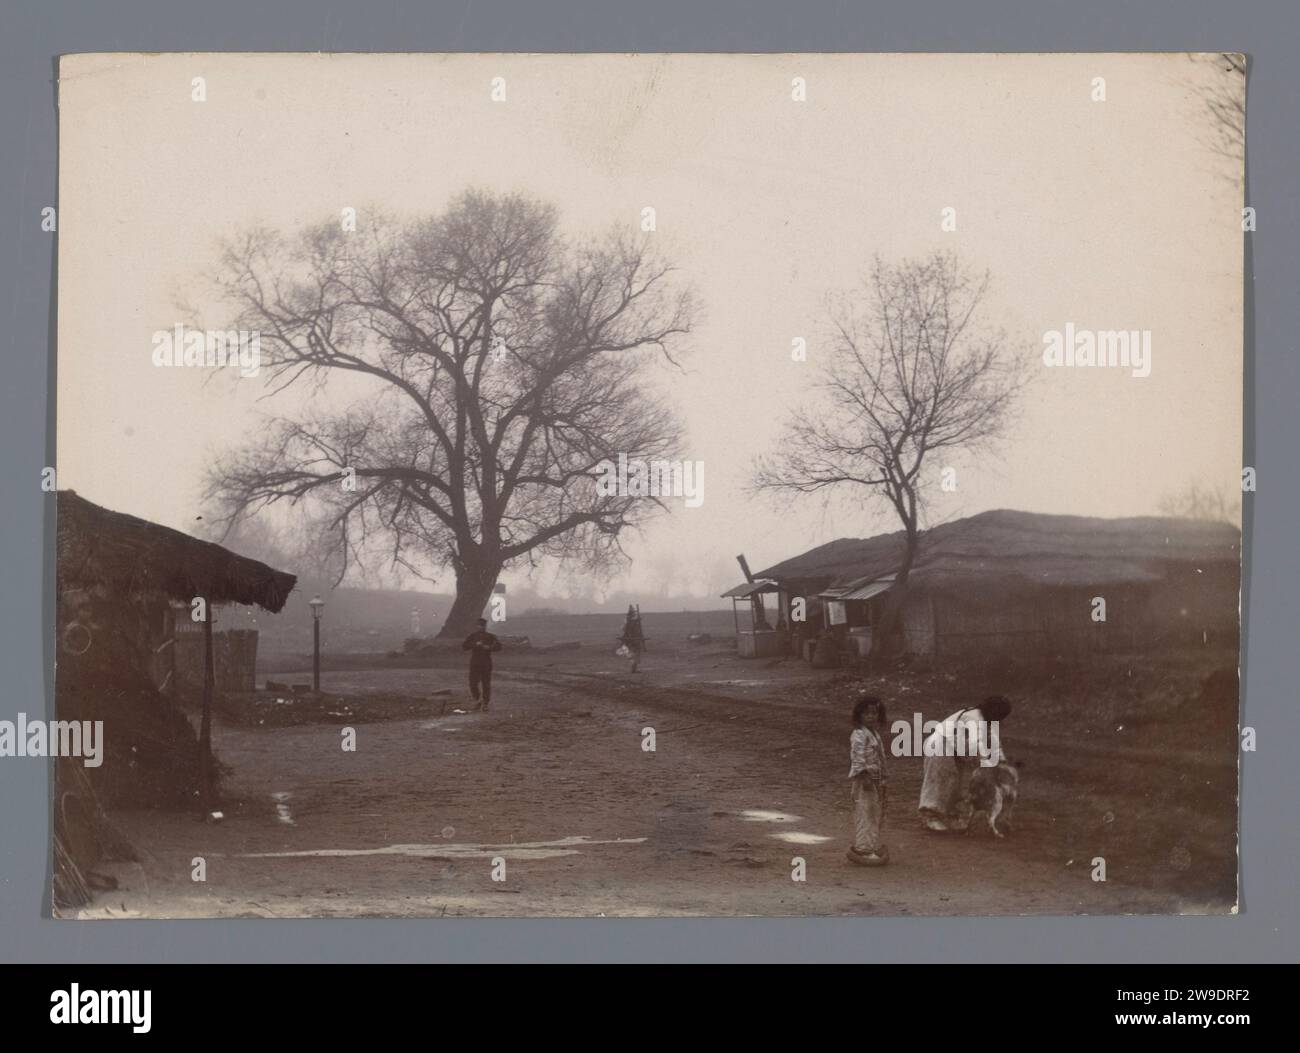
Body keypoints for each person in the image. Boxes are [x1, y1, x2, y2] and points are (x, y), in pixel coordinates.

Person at [917, 694, 1011, 831]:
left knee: (957, 783)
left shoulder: (986, 721)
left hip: (955, 750)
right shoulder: (974, 717)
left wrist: (1002, 762)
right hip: (939, 745)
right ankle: (930, 817)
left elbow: (994, 742)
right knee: (940, 781)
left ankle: (950, 816)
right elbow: (976, 743)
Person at [847, 694, 890, 866]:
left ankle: (870, 845)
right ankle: (863, 849)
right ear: (860, 715)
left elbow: (880, 757)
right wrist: (864, 776)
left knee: (874, 814)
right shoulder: (859, 734)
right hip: (865, 780)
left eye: (874, 713)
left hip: (875, 780)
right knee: (866, 814)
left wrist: (884, 776)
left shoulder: (874, 734)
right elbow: (857, 757)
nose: (871, 717)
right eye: (867, 714)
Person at [461, 618, 502, 709]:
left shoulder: (490, 636)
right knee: (473, 683)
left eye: (482, 626)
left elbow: (499, 646)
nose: (481, 627)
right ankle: (477, 699)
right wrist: (475, 644)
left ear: (485, 626)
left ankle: (485, 704)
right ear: (476, 626)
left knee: (486, 684)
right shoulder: (472, 636)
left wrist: (489, 647)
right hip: (475, 662)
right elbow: (464, 646)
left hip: (486, 663)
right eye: (479, 625)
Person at [618, 605, 645, 673]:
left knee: (633, 653)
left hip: (631, 640)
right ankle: (633, 669)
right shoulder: (632, 621)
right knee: (635, 653)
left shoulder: (629, 621)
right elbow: (626, 630)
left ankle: (634, 668)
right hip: (633, 640)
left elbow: (623, 629)